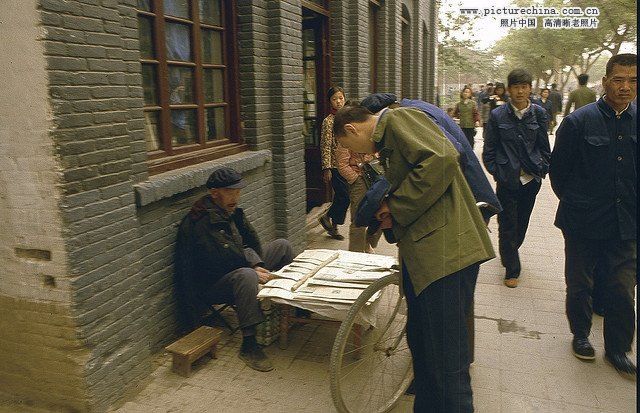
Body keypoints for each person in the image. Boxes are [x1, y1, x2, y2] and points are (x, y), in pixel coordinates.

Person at [333, 105, 495, 412]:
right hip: (426, 257)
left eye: (347, 146)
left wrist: (396, 206)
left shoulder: (397, 119)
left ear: (352, 130)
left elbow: (442, 158)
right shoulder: (387, 143)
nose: (353, 155)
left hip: (445, 256)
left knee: (447, 360)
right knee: (424, 348)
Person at [549, 53, 637, 377]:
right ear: (605, 81)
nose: (625, 87)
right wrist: (578, 203)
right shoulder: (578, 122)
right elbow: (558, 173)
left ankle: (617, 350)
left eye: (633, 80)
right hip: (583, 221)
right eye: (619, 79)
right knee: (580, 283)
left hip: (625, 222)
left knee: (623, 288)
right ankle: (581, 335)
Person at [175, 167, 294, 372]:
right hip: (213, 283)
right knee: (247, 275)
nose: (236, 197)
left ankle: (293, 307)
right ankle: (249, 343)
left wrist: (256, 262)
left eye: (238, 192)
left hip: (236, 265)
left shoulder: (227, 211)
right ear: (215, 193)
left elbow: (247, 245)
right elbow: (218, 261)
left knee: (282, 246)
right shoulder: (202, 221)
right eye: (231, 192)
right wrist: (252, 268)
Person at [360, 93, 502, 223]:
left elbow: (452, 153)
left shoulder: (411, 116)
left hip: (467, 197)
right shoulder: (413, 107)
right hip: (467, 194)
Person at [482, 69, 551, 288]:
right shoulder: (497, 115)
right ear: (509, 90)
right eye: (516, 87)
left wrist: (542, 167)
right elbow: (489, 149)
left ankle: (509, 251)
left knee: (521, 224)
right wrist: (497, 171)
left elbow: (544, 146)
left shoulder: (539, 114)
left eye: (524, 86)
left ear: (530, 89)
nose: (520, 91)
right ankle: (512, 268)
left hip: (530, 180)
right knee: (507, 224)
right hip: (507, 180)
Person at [336, 147, 382, 252]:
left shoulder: (370, 134)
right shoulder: (347, 137)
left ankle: (367, 242)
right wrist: (355, 179)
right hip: (359, 180)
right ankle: (356, 253)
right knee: (358, 219)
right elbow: (342, 163)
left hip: (376, 176)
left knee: (381, 214)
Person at [318, 86, 350, 240]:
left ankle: (331, 224)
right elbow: (325, 145)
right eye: (334, 99)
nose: (338, 101)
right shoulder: (328, 122)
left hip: (348, 164)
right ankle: (330, 219)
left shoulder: (347, 119)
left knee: (342, 196)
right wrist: (327, 167)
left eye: (341, 98)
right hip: (335, 165)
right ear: (330, 102)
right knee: (344, 196)